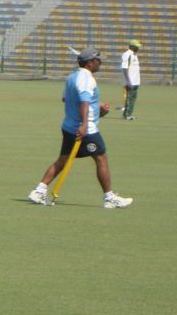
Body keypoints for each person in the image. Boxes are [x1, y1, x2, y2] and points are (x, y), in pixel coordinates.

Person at [27, 47, 133, 209]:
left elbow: (67, 98)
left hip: (68, 126)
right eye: (98, 60)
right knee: (101, 158)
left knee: (62, 160)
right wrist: (84, 124)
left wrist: (97, 107)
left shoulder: (73, 77)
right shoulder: (86, 79)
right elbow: (83, 102)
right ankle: (109, 197)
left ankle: (39, 190)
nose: (100, 63)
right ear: (90, 63)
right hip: (85, 129)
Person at [120, 39, 141, 120]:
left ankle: (130, 114)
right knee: (128, 98)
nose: (138, 48)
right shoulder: (127, 54)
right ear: (132, 47)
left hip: (136, 81)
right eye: (137, 47)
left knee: (133, 99)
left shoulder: (134, 55)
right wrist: (128, 81)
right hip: (130, 81)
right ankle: (126, 115)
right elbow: (124, 68)